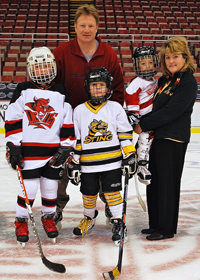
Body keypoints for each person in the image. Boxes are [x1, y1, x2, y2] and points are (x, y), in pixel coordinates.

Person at [53, 4, 124, 225]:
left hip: (99, 127)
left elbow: (119, 89)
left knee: (104, 166)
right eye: (82, 25)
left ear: (97, 27)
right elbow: (53, 89)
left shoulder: (108, 53)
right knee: (61, 168)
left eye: (90, 25)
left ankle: (111, 209)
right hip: (67, 125)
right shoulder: (61, 52)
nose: (86, 29)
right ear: (74, 27)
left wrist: (113, 119)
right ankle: (54, 207)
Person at [5, 47, 76, 245]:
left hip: (52, 151)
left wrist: (66, 146)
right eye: (38, 67)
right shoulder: (23, 89)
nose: (42, 71)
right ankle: (21, 220)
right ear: (30, 69)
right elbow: (12, 118)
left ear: (53, 67)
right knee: (28, 188)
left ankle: (48, 218)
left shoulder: (60, 90)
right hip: (29, 152)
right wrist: (14, 144)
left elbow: (67, 120)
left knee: (50, 187)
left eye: (46, 66)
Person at [134, 37, 197, 240]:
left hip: (173, 139)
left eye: (175, 56)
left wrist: (143, 124)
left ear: (185, 58)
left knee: (168, 183)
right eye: (168, 57)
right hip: (157, 138)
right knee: (155, 181)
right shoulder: (163, 81)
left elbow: (171, 111)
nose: (171, 61)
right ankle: (155, 224)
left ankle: (166, 228)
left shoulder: (188, 81)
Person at [67, 67, 136, 245]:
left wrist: (129, 155)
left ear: (108, 88)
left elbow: (124, 134)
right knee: (88, 194)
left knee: (112, 193)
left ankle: (119, 222)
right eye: (93, 85)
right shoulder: (79, 110)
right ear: (87, 88)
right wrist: (74, 162)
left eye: (101, 85)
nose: (97, 89)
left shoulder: (115, 108)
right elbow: (78, 139)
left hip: (112, 163)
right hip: (88, 165)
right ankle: (89, 218)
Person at [125, 46, 158, 185]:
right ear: (137, 65)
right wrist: (134, 115)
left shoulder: (155, 80)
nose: (147, 66)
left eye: (150, 62)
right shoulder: (137, 82)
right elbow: (130, 96)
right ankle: (141, 166)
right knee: (145, 138)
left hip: (153, 118)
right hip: (142, 118)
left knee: (149, 141)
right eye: (143, 63)